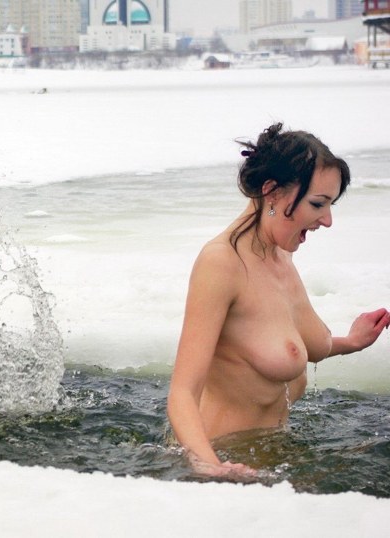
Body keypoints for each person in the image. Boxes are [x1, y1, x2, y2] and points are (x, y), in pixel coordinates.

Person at [167, 123, 390, 477]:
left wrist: (351, 342)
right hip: (222, 463)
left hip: (272, 458)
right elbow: (181, 393)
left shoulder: (280, 257)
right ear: (272, 191)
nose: (328, 221)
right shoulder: (221, 263)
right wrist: (209, 466)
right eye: (318, 203)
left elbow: (299, 343)